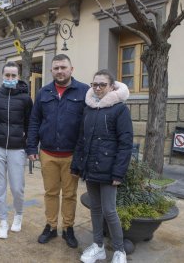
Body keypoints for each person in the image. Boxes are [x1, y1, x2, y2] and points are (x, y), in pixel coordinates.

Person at [27, 54, 89, 248]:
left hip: (72, 154)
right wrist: (31, 146)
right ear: (51, 70)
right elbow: (35, 120)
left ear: (72, 69)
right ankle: (51, 226)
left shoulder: (84, 91)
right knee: (51, 193)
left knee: (70, 194)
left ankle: (68, 228)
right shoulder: (43, 92)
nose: (60, 71)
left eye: (63, 67)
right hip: (48, 154)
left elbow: (88, 124)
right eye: (56, 68)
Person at [71, 70, 133, 263]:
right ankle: (98, 246)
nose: (97, 88)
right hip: (90, 168)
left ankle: (119, 250)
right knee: (95, 209)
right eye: (94, 84)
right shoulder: (89, 108)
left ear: (112, 86)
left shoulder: (120, 109)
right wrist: (77, 165)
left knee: (109, 210)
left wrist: (118, 172)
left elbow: (125, 143)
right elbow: (82, 139)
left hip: (109, 170)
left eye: (102, 85)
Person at [0, 61, 33, 239]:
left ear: (18, 77)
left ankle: (18, 215)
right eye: (7, 75)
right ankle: (3, 221)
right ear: (2, 76)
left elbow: (30, 124)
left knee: (17, 187)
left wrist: (29, 146)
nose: (10, 78)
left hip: (17, 148)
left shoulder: (26, 99)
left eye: (13, 75)